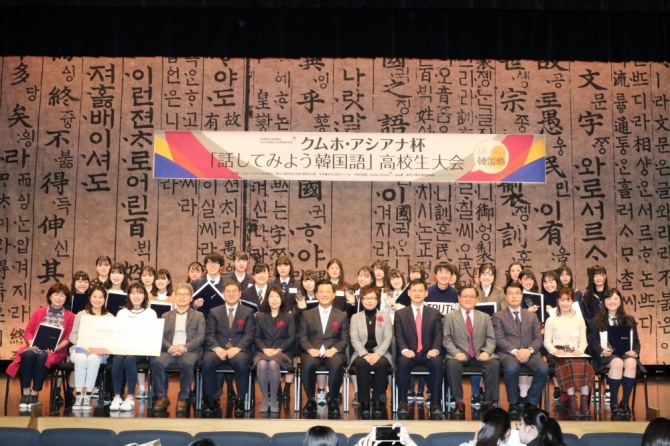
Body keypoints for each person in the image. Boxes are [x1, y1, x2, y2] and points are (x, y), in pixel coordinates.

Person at [7, 283, 75, 410]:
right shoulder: (39, 312)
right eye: (56, 294)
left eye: (62, 295)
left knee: (43, 356)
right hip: (34, 347)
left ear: (66, 298)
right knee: (27, 354)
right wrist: (32, 343)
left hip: (55, 351)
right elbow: (28, 332)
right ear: (50, 296)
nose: (59, 298)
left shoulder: (71, 316)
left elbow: (68, 337)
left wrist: (57, 347)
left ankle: (34, 394)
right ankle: (25, 393)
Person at [492, 282, 548, 420]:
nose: (514, 296)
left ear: (522, 296)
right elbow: (499, 339)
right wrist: (515, 351)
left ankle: (531, 402)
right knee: (511, 368)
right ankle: (514, 403)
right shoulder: (498, 316)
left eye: (517, 293)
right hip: (508, 352)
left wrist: (529, 350)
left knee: (543, 369)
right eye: (510, 293)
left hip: (530, 353)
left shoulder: (531, 316)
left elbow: (538, 338)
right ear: (505, 296)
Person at [201, 279, 256, 414]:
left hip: (239, 350)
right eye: (228, 291)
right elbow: (209, 334)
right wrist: (217, 348)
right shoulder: (214, 311)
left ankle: (240, 399)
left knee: (242, 363)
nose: (231, 294)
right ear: (223, 294)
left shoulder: (248, 312)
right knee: (207, 362)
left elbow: (249, 335)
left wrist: (236, 348)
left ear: (240, 294)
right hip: (218, 349)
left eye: (234, 291)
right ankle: (211, 398)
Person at [443, 285, 500, 415]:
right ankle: (458, 401)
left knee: (494, 363)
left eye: (471, 296)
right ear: (459, 298)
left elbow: (491, 338)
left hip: (481, 353)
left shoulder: (485, 317)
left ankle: (488, 401)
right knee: (451, 364)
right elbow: (446, 339)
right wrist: (456, 353)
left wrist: (486, 351)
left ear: (476, 299)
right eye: (465, 296)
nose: (468, 299)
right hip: (458, 354)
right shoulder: (450, 317)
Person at [151, 282, 206, 413]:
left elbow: (200, 336)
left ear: (191, 298)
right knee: (157, 362)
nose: (182, 297)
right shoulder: (166, 315)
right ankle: (162, 396)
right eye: (179, 294)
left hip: (190, 350)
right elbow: (160, 336)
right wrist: (170, 348)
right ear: (175, 297)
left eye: (185, 294)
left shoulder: (199, 316)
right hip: (170, 349)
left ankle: (183, 397)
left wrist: (184, 348)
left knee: (187, 362)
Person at [299, 280, 350, 417]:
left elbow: (344, 339)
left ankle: (333, 400)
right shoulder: (307, 314)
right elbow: (302, 337)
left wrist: (334, 349)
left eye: (328, 292)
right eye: (321, 292)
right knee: (307, 363)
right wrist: (310, 349)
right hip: (313, 351)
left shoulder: (341, 315)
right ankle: (310, 399)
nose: (324, 294)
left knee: (336, 364)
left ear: (334, 295)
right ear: (316, 294)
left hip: (333, 352)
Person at [588, 288, 640, 420]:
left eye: (616, 298)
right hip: (606, 357)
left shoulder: (629, 320)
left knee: (631, 362)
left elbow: (636, 342)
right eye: (609, 298)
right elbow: (592, 342)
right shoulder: (596, 320)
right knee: (617, 363)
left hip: (625, 353)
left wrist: (634, 351)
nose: (612, 301)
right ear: (604, 302)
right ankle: (613, 404)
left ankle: (624, 403)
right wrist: (601, 351)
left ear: (620, 301)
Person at [394, 278, 444, 416]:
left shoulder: (434, 313)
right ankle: (402, 402)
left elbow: (438, 335)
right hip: (409, 353)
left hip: (428, 353)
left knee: (438, 361)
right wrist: (404, 350)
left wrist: (435, 349)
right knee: (402, 362)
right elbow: (398, 335)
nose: (417, 293)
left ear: (426, 293)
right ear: (408, 293)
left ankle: (435, 403)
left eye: (420, 290)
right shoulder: (400, 314)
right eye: (414, 290)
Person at [543, 287, 594, 417]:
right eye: (562, 300)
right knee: (569, 364)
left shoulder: (579, 319)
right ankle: (572, 403)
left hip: (575, 352)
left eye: (568, 300)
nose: (565, 303)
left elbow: (583, 341)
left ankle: (584, 404)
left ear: (572, 301)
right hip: (557, 353)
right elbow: (547, 342)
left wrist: (580, 350)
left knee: (586, 365)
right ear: (557, 301)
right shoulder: (551, 320)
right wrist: (555, 351)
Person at [110, 282, 157, 412]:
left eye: (140, 292)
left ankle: (130, 396)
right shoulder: (122, 313)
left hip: (142, 350)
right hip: (123, 348)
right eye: (133, 292)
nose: (136, 296)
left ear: (145, 295)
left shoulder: (150, 313)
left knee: (130, 358)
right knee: (118, 358)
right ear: (128, 295)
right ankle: (117, 396)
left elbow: (152, 335)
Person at [349, 284, 393, 417]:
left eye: (372, 298)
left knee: (381, 364)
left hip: (381, 353)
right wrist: (365, 354)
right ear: (361, 300)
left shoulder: (385, 316)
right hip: (361, 353)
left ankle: (379, 401)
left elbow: (387, 338)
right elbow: (354, 338)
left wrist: (378, 354)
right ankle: (364, 402)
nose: (369, 301)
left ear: (377, 300)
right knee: (362, 364)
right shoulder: (355, 317)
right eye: (366, 298)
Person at [69, 284, 114, 411]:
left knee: (94, 358)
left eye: (101, 297)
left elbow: (110, 339)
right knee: (82, 358)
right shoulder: (81, 314)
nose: (97, 299)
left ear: (105, 299)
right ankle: (79, 395)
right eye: (95, 296)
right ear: (89, 298)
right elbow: (72, 335)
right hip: (80, 349)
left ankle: (87, 395)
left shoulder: (109, 317)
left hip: (99, 353)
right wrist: (77, 338)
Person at [253, 284, 295, 413]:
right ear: (267, 299)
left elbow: (291, 337)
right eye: (271, 296)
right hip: (263, 351)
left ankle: (273, 400)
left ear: (282, 299)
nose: (274, 299)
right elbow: (256, 337)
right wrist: (264, 349)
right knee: (261, 364)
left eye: (277, 296)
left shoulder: (288, 316)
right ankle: (265, 399)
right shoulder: (261, 317)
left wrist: (279, 349)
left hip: (282, 352)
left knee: (272, 363)